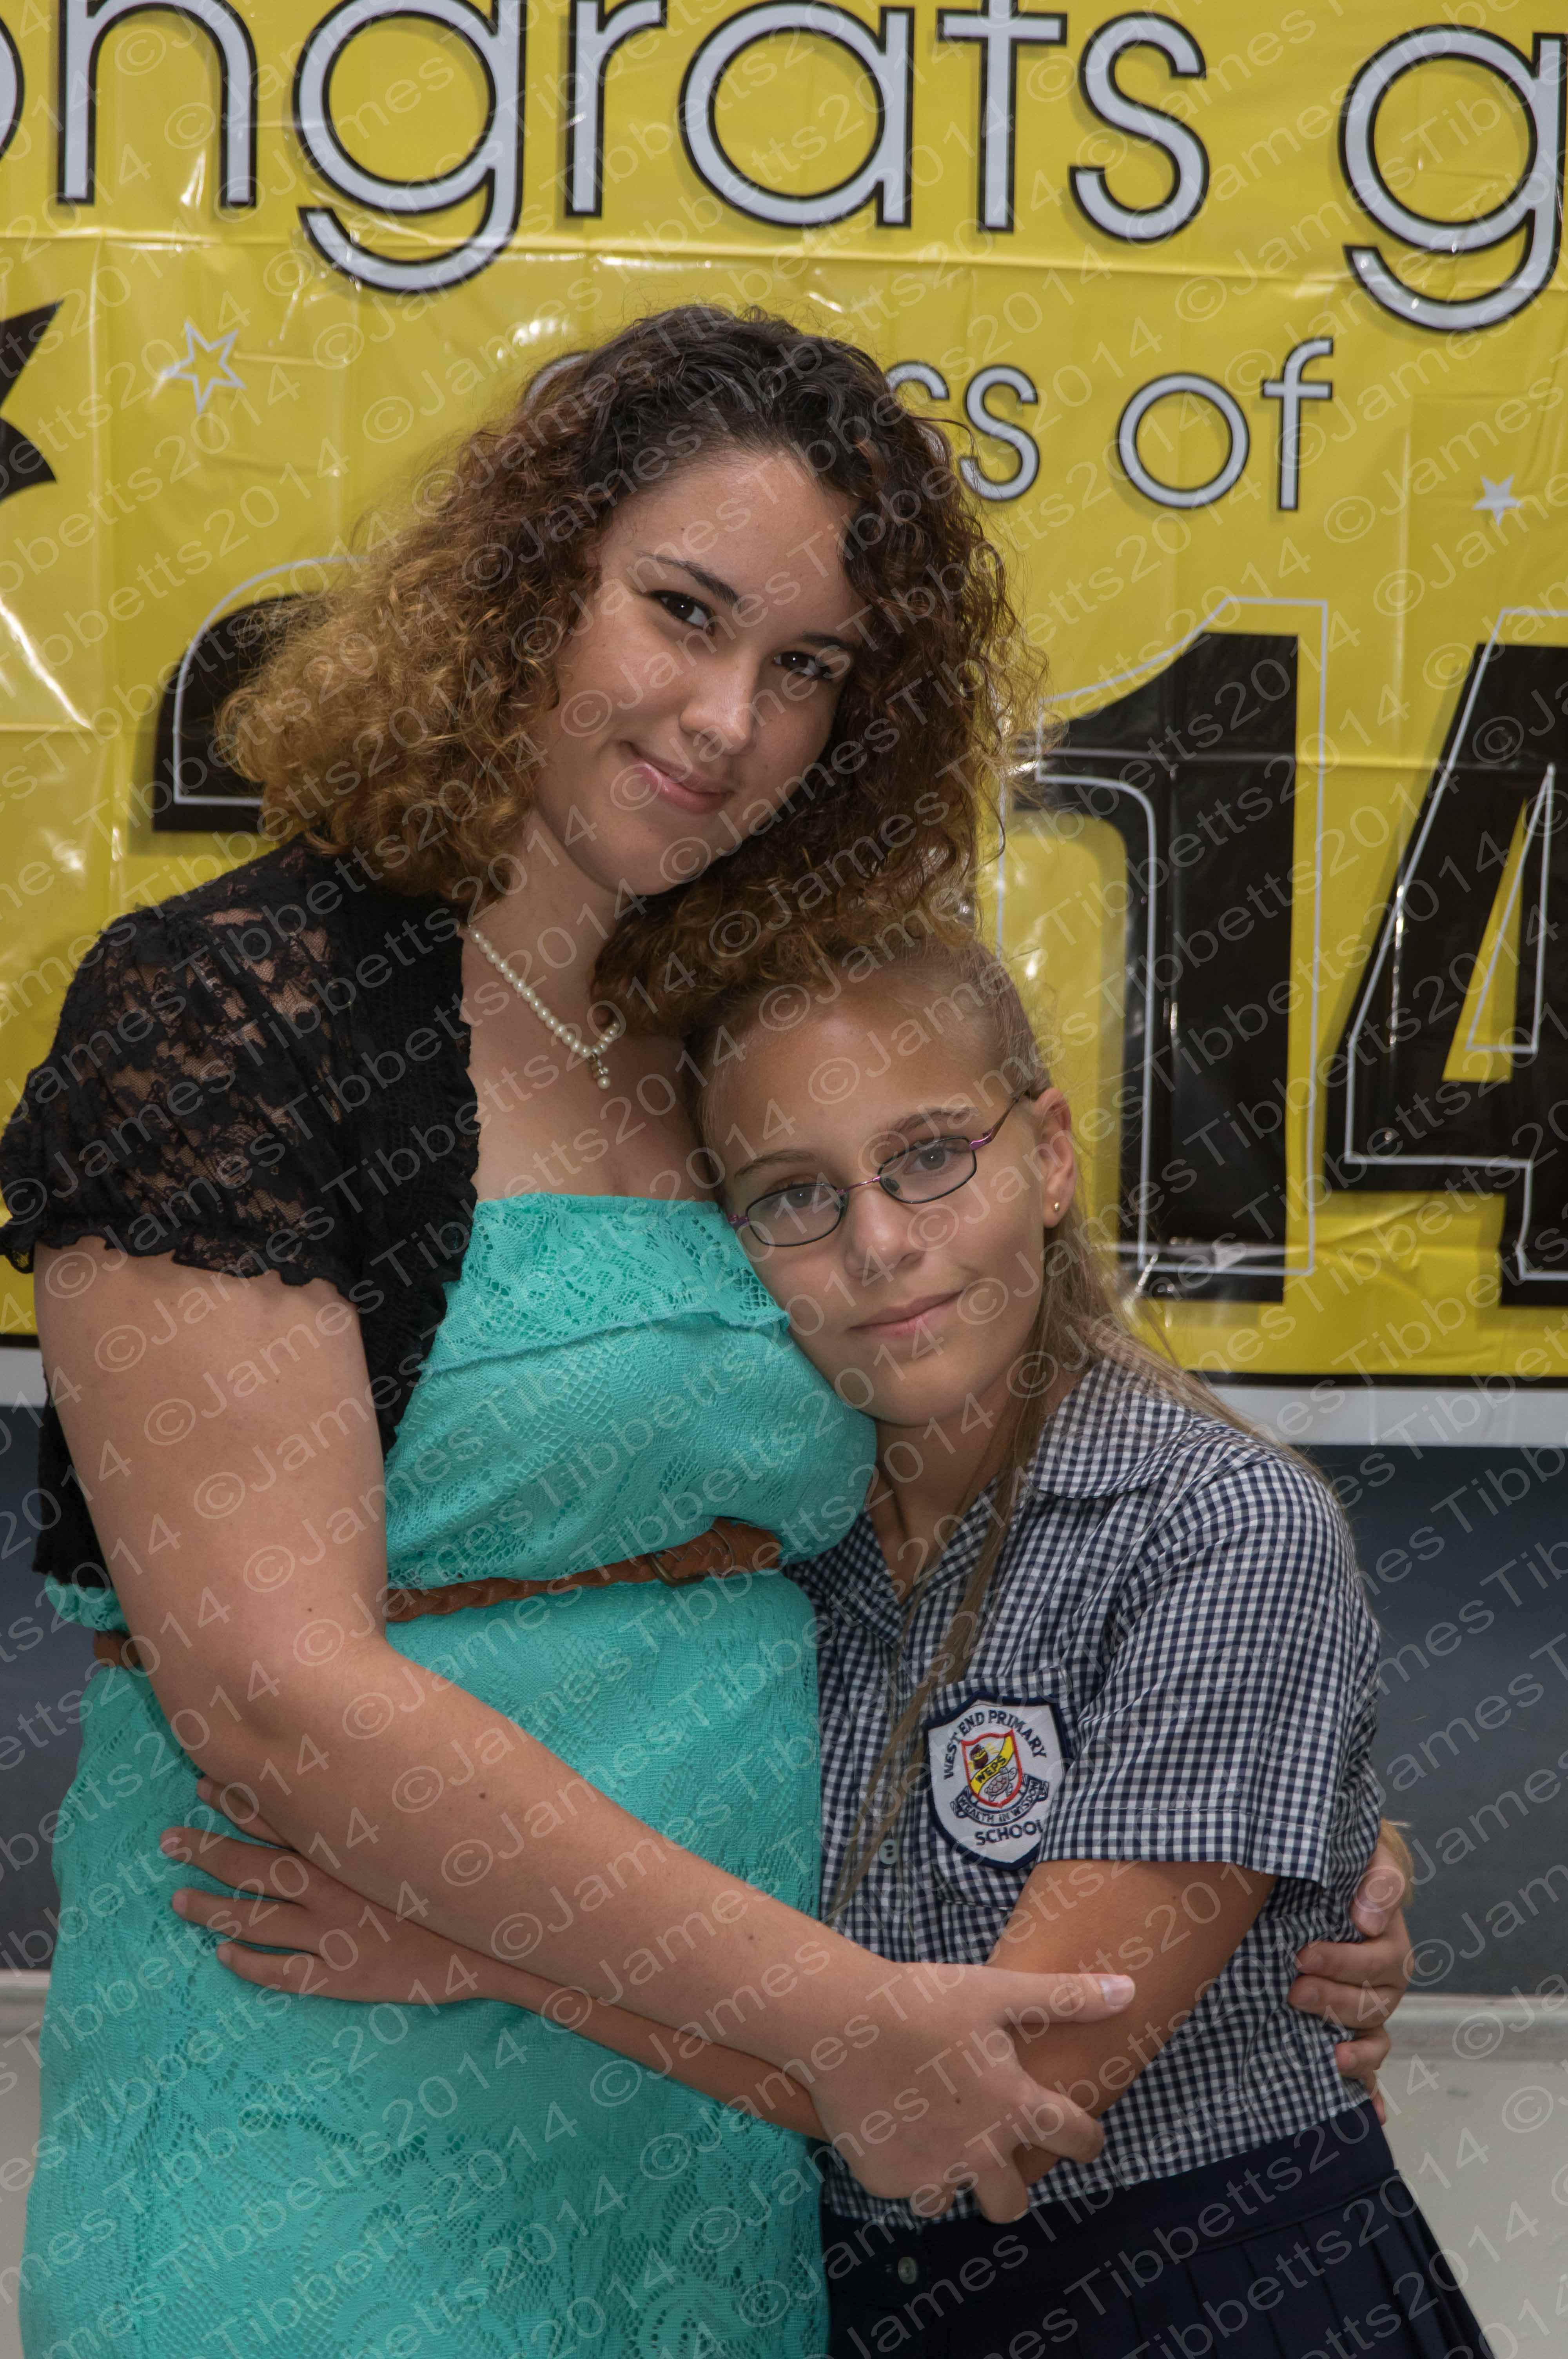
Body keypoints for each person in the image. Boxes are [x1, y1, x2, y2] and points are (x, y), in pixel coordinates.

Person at [0, 308, 1129, 2359]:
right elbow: (275, 1698)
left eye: (810, 671)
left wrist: (1244, 1823)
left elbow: (1003, 1515)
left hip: (708, 2137)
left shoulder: (756, 1032)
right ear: (527, 584)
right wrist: (835, 2019)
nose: (729, 719)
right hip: (317, 2098)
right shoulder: (228, 1013)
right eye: (682, 613)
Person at [164, 928, 1446, 2359]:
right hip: (843, 2293)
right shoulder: (758, 1551)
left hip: (1211, 2288)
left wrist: (490, 1958)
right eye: (794, 1196)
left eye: (931, 1157)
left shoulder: (1221, 1526)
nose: (880, 1245)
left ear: (1051, 1157)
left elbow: (1009, 2105)